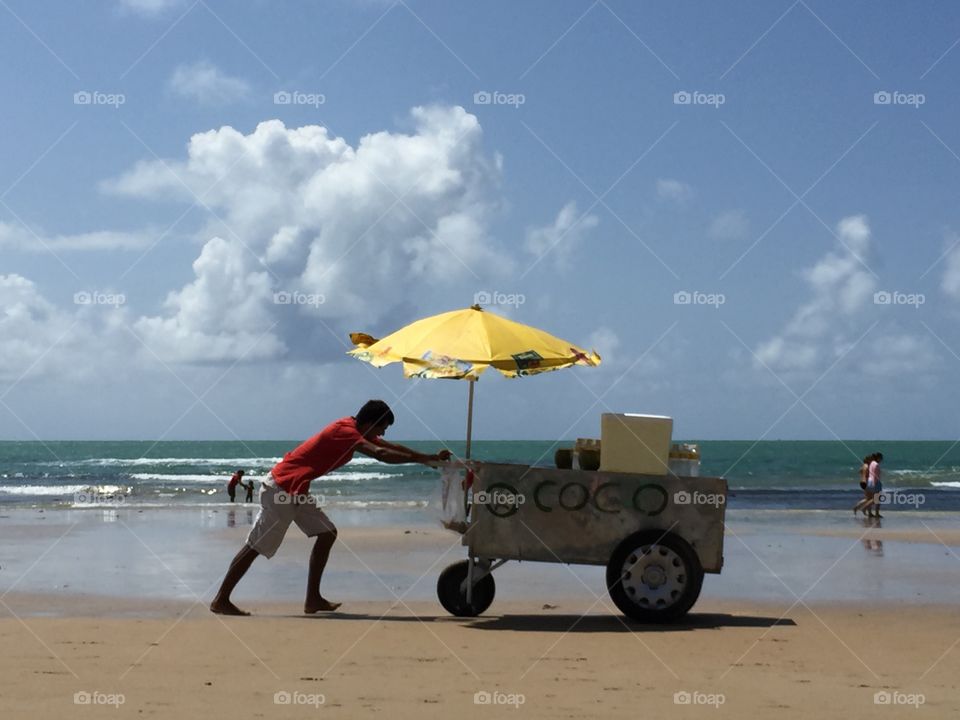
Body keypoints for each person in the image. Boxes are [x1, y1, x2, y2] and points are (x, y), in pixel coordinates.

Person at [210, 400, 451, 616]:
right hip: (281, 489)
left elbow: (390, 447)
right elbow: (381, 454)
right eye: (381, 428)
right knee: (256, 546)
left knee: (327, 533)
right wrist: (421, 459)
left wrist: (427, 457)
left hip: (296, 489)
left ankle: (312, 599)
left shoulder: (356, 429)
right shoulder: (345, 431)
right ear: (369, 423)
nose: (382, 433)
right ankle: (221, 600)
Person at [864, 452, 884, 519]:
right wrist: (876, 483)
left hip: (869, 481)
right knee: (877, 499)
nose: (881, 460)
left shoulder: (871, 463)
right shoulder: (876, 465)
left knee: (870, 498)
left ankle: (869, 513)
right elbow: (875, 475)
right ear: (878, 458)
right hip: (875, 482)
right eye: (881, 458)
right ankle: (876, 513)